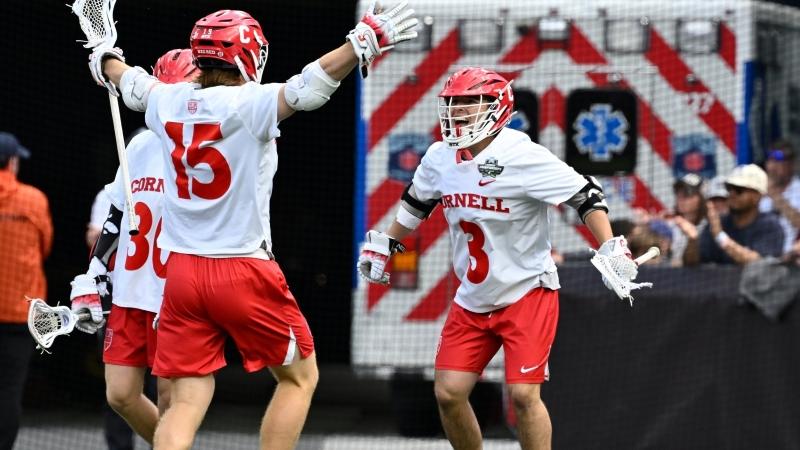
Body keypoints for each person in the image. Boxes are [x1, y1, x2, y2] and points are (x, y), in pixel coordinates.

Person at [83, 5, 418, 450]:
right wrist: (357, 45)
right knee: (299, 378)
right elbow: (309, 86)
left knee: (185, 400)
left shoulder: (166, 102)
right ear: (248, 54)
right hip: (242, 268)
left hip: (180, 275)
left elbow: (127, 80)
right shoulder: (249, 103)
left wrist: (103, 56)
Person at [357, 67, 643, 450]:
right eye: (453, 103)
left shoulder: (520, 154)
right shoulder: (440, 156)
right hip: (473, 296)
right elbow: (417, 201)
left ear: (497, 107)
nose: (458, 111)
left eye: (469, 102)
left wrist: (610, 245)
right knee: (448, 393)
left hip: (526, 292)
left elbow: (585, 194)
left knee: (523, 396)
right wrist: (388, 242)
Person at [70, 49, 199, 447]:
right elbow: (117, 213)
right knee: (120, 394)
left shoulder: (208, 149)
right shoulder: (140, 146)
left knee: (171, 399)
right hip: (130, 291)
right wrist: (95, 273)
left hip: (173, 295)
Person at [0, 132, 53, 450]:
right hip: (20, 313)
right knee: (8, 391)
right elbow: (45, 246)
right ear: (12, 162)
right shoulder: (34, 200)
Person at [684, 164, 784, 266]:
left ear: (757, 196)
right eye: (729, 188)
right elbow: (691, 264)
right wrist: (692, 240)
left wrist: (720, 237)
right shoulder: (719, 223)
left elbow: (758, 262)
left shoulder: (769, 226)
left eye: (738, 190)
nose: (732, 194)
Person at [759, 141, 800, 252]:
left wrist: (773, 194)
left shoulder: (798, 189)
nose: (772, 167)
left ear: (791, 164)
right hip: (761, 253)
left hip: (791, 255)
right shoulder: (759, 192)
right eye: (770, 161)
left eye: (778, 162)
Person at [667, 173, 708, 266]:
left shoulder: (708, 227)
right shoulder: (670, 225)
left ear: (701, 197)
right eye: (678, 193)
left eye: (687, 194)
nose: (680, 198)